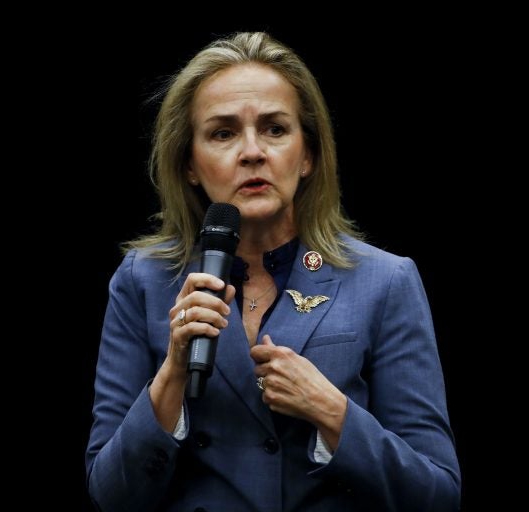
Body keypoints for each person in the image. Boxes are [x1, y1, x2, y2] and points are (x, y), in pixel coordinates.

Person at [85, 31, 460, 511]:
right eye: (222, 133)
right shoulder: (144, 280)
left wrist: (332, 412)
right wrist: (172, 374)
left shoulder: (384, 281)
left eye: (275, 129)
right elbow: (111, 495)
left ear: (307, 155)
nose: (252, 152)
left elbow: (438, 494)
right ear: (189, 165)